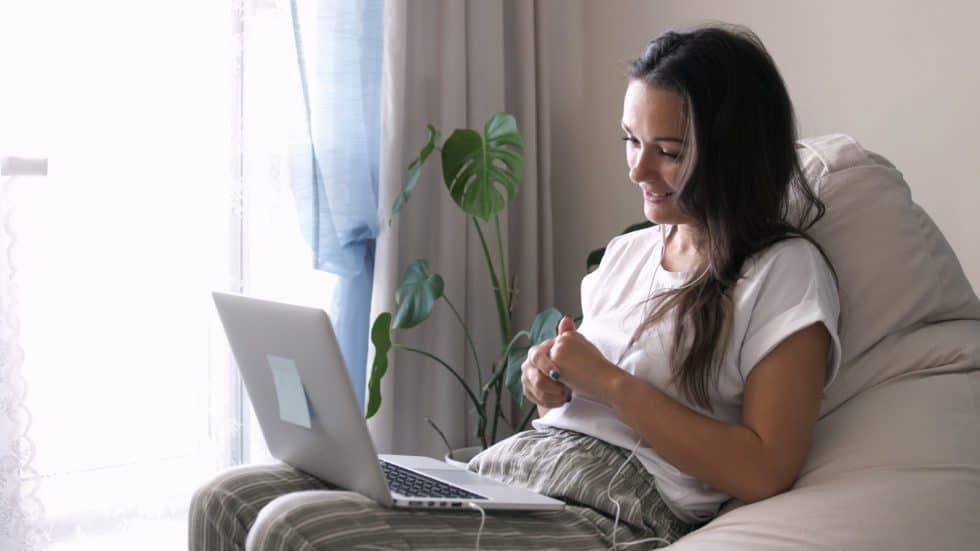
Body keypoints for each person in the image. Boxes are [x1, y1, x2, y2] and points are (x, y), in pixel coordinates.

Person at [189, 24, 840, 550]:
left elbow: (764, 467)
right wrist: (548, 381)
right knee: (225, 498)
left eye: (667, 150)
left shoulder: (781, 272)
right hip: (518, 470)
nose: (638, 167)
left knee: (291, 530)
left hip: (613, 511)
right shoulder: (628, 254)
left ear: (731, 152)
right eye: (630, 140)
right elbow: (578, 389)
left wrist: (608, 381)